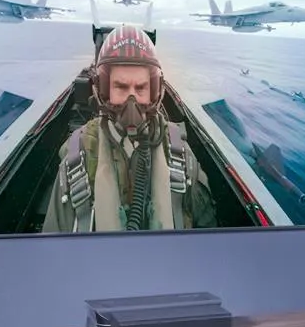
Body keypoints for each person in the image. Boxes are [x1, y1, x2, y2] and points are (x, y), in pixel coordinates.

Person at [44, 24, 216, 232]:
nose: (131, 100)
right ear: (103, 90)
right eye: (121, 87)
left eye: (141, 88)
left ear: (154, 90)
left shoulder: (181, 155)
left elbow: (207, 238)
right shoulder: (78, 158)